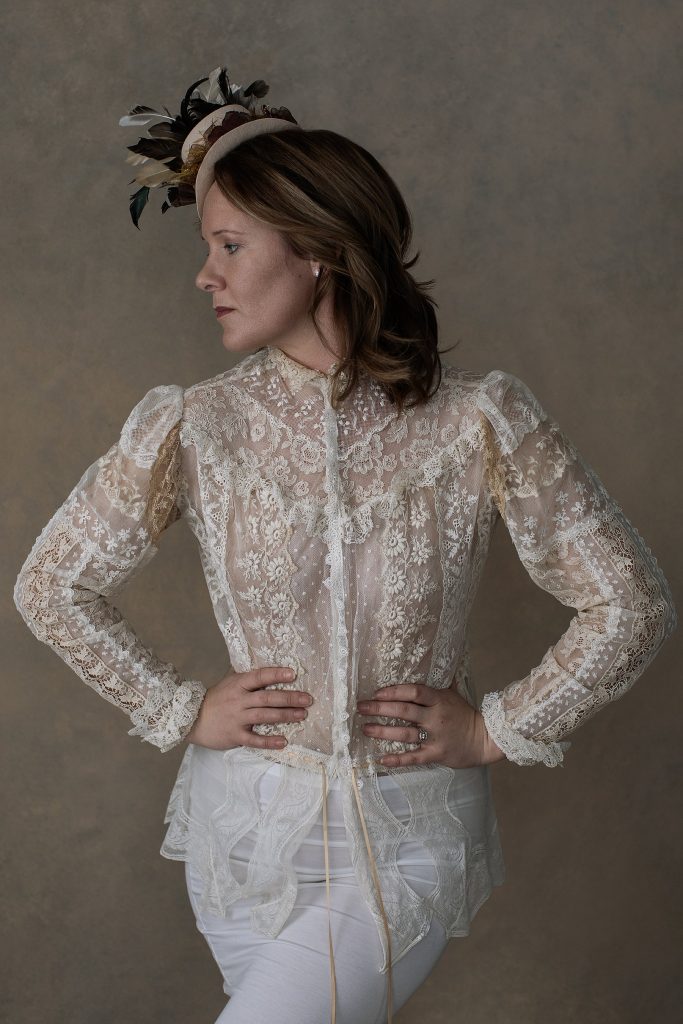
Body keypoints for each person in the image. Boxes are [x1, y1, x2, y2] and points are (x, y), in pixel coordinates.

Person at [13, 65, 677, 1024]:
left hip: (403, 840)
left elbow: (631, 601)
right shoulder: (195, 424)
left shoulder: (477, 420)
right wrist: (175, 707)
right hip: (240, 840)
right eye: (210, 247)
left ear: (319, 249)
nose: (207, 274)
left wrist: (495, 726)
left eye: (231, 245)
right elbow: (51, 584)